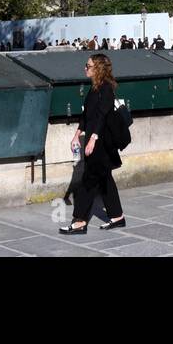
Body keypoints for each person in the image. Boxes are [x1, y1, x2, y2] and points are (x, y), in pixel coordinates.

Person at [60, 54, 125, 235]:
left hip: (101, 143)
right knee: (105, 180)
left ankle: (80, 221)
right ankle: (117, 216)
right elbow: (87, 115)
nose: (85, 68)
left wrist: (93, 139)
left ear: (98, 68)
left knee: (88, 181)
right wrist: (77, 135)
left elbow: (102, 115)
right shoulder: (94, 88)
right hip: (94, 139)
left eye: (88, 66)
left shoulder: (106, 89)